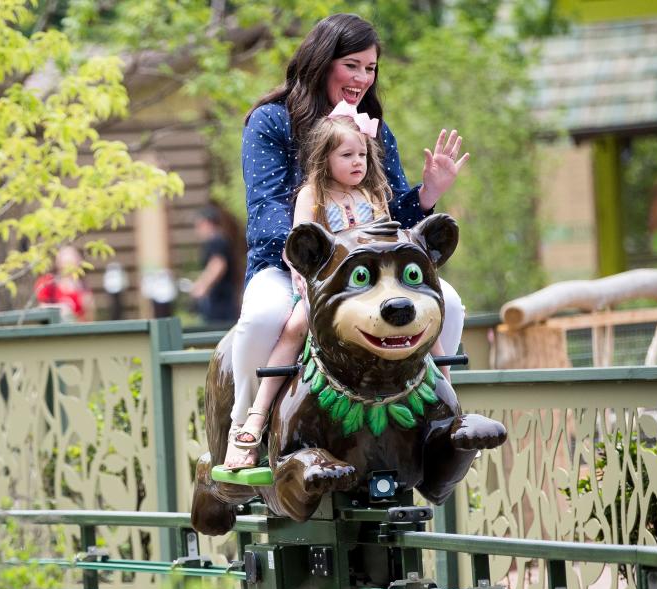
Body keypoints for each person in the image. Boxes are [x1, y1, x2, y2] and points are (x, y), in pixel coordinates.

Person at [225, 13, 468, 468]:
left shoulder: (372, 128)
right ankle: (245, 425)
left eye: (371, 68)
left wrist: (429, 191)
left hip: (374, 273)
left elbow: (392, 217)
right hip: (292, 267)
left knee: (448, 303)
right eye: (352, 65)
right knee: (262, 319)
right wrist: (320, 258)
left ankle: (440, 418)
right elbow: (266, 212)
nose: (362, 78)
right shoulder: (272, 122)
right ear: (322, 62)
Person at [189, 205, 240, 325]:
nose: (197, 230)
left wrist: (201, 287)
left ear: (207, 223)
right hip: (221, 299)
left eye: (199, 225)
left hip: (221, 301)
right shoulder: (219, 240)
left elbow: (218, 265)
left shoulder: (216, 241)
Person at [35, 245, 95, 321]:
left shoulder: (82, 288)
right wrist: (61, 308)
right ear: (58, 261)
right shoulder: (48, 282)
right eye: (65, 259)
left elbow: (89, 318)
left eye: (72, 258)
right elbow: (41, 307)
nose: (68, 262)